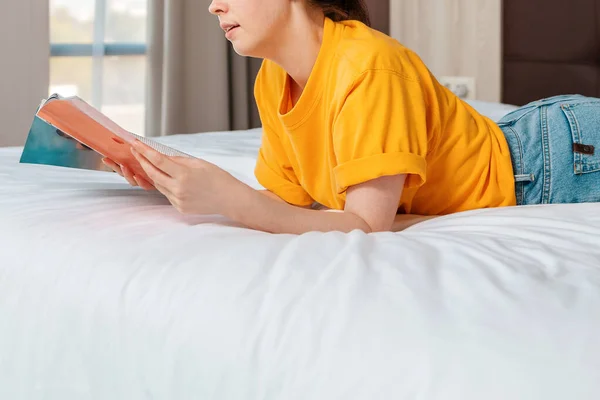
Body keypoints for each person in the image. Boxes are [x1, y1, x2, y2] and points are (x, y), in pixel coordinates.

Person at [103, 0, 600, 234]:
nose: (214, 6)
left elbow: (366, 224)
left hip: (557, 161)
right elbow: (288, 202)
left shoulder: (370, 66)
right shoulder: (273, 79)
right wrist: (174, 181)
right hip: (528, 141)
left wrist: (233, 202)